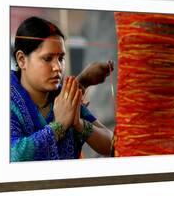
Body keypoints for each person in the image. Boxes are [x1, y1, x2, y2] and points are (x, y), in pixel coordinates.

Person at [10, 16, 114, 161]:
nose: (58, 67)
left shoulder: (63, 96)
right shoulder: (4, 99)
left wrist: (79, 124)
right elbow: (13, 156)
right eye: (47, 58)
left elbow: (112, 144)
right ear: (22, 60)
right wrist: (59, 126)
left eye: (61, 58)